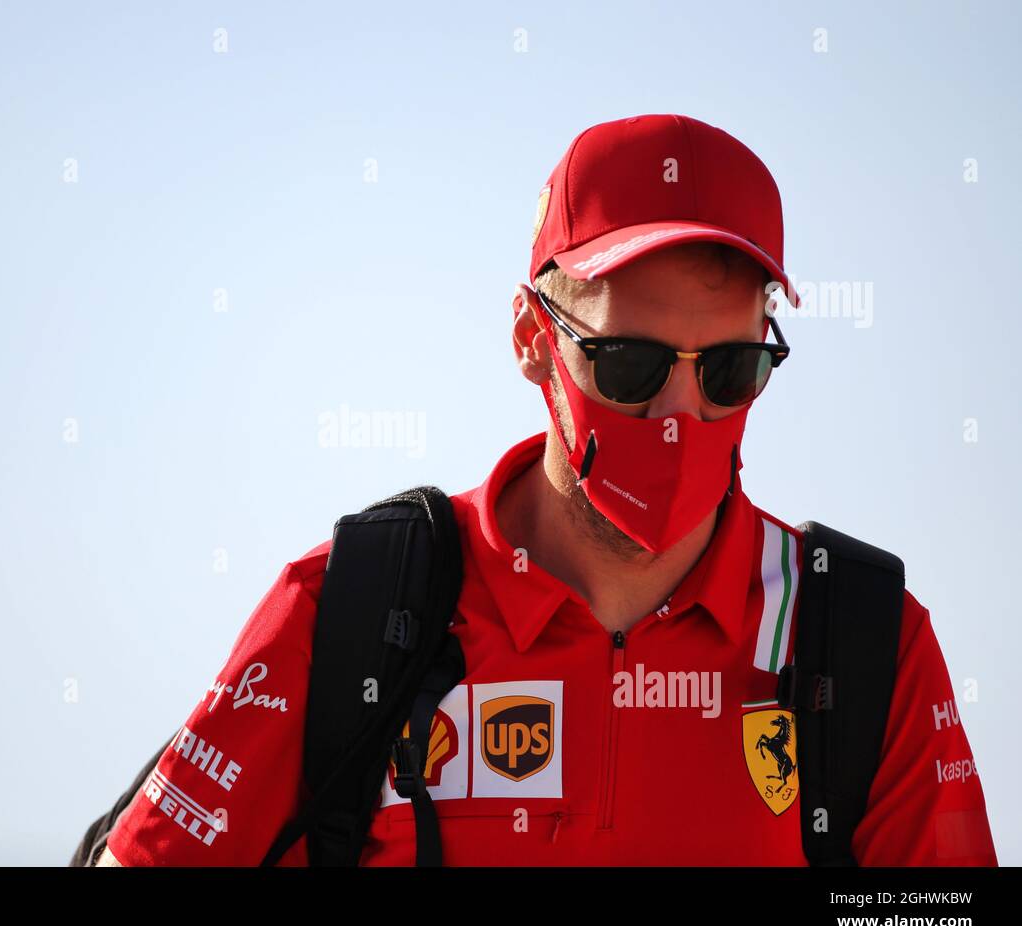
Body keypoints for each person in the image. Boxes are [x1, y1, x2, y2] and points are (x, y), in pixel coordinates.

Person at [95, 114, 998, 866]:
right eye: (632, 365)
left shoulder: (865, 640)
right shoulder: (355, 607)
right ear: (532, 336)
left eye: (729, 370)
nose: (682, 414)